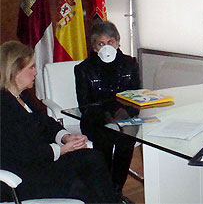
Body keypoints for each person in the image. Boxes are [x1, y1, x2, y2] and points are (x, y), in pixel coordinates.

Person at [0, 40, 117, 203]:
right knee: (83, 184)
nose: (35, 72)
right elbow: (25, 154)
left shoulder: (22, 95)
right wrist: (62, 150)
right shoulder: (4, 106)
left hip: (41, 162)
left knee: (94, 158)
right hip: (22, 177)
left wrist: (66, 138)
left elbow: (45, 122)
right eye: (31, 67)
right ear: (15, 72)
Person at [74, 21, 140, 203]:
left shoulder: (130, 64)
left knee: (126, 140)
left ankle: (116, 191)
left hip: (124, 120)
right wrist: (107, 116)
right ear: (94, 47)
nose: (106, 47)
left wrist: (124, 112)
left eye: (110, 42)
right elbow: (84, 105)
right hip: (96, 121)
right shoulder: (83, 69)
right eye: (101, 43)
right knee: (103, 142)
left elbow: (137, 98)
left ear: (118, 43)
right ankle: (106, 191)